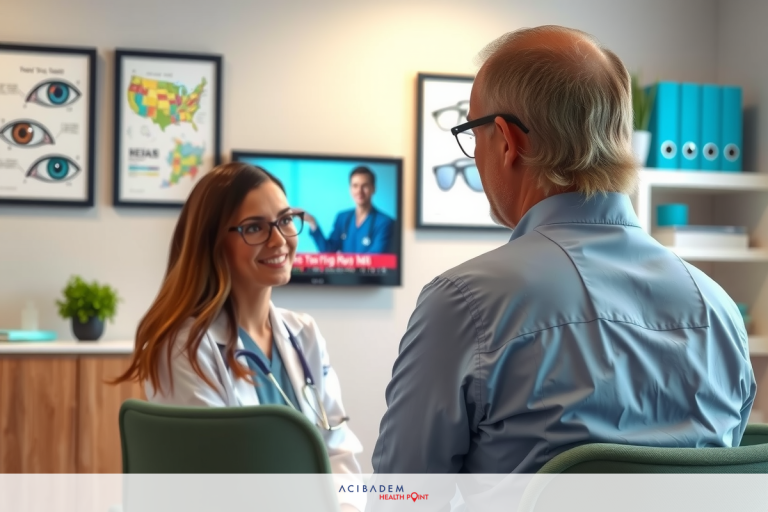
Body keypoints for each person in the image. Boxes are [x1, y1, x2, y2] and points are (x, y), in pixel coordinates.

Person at [372, 25, 756, 477]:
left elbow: (402, 495)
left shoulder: (463, 304)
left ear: (507, 140)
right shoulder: (721, 310)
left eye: (472, 135)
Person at [115, 162, 364, 512]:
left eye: (285, 220)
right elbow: (219, 481)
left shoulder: (303, 332)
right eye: (254, 228)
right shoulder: (183, 347)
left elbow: (337, 447)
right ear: (212, 242)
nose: (279, 240)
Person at [304, 166, 394, 253]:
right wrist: (312, 222)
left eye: (365, 186)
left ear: (373, 189)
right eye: (355, 186)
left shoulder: (385, 223)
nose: (359, 191)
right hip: (346, 269)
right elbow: (328, 251)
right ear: (350, 189)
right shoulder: (342, 218)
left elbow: (376, 259)